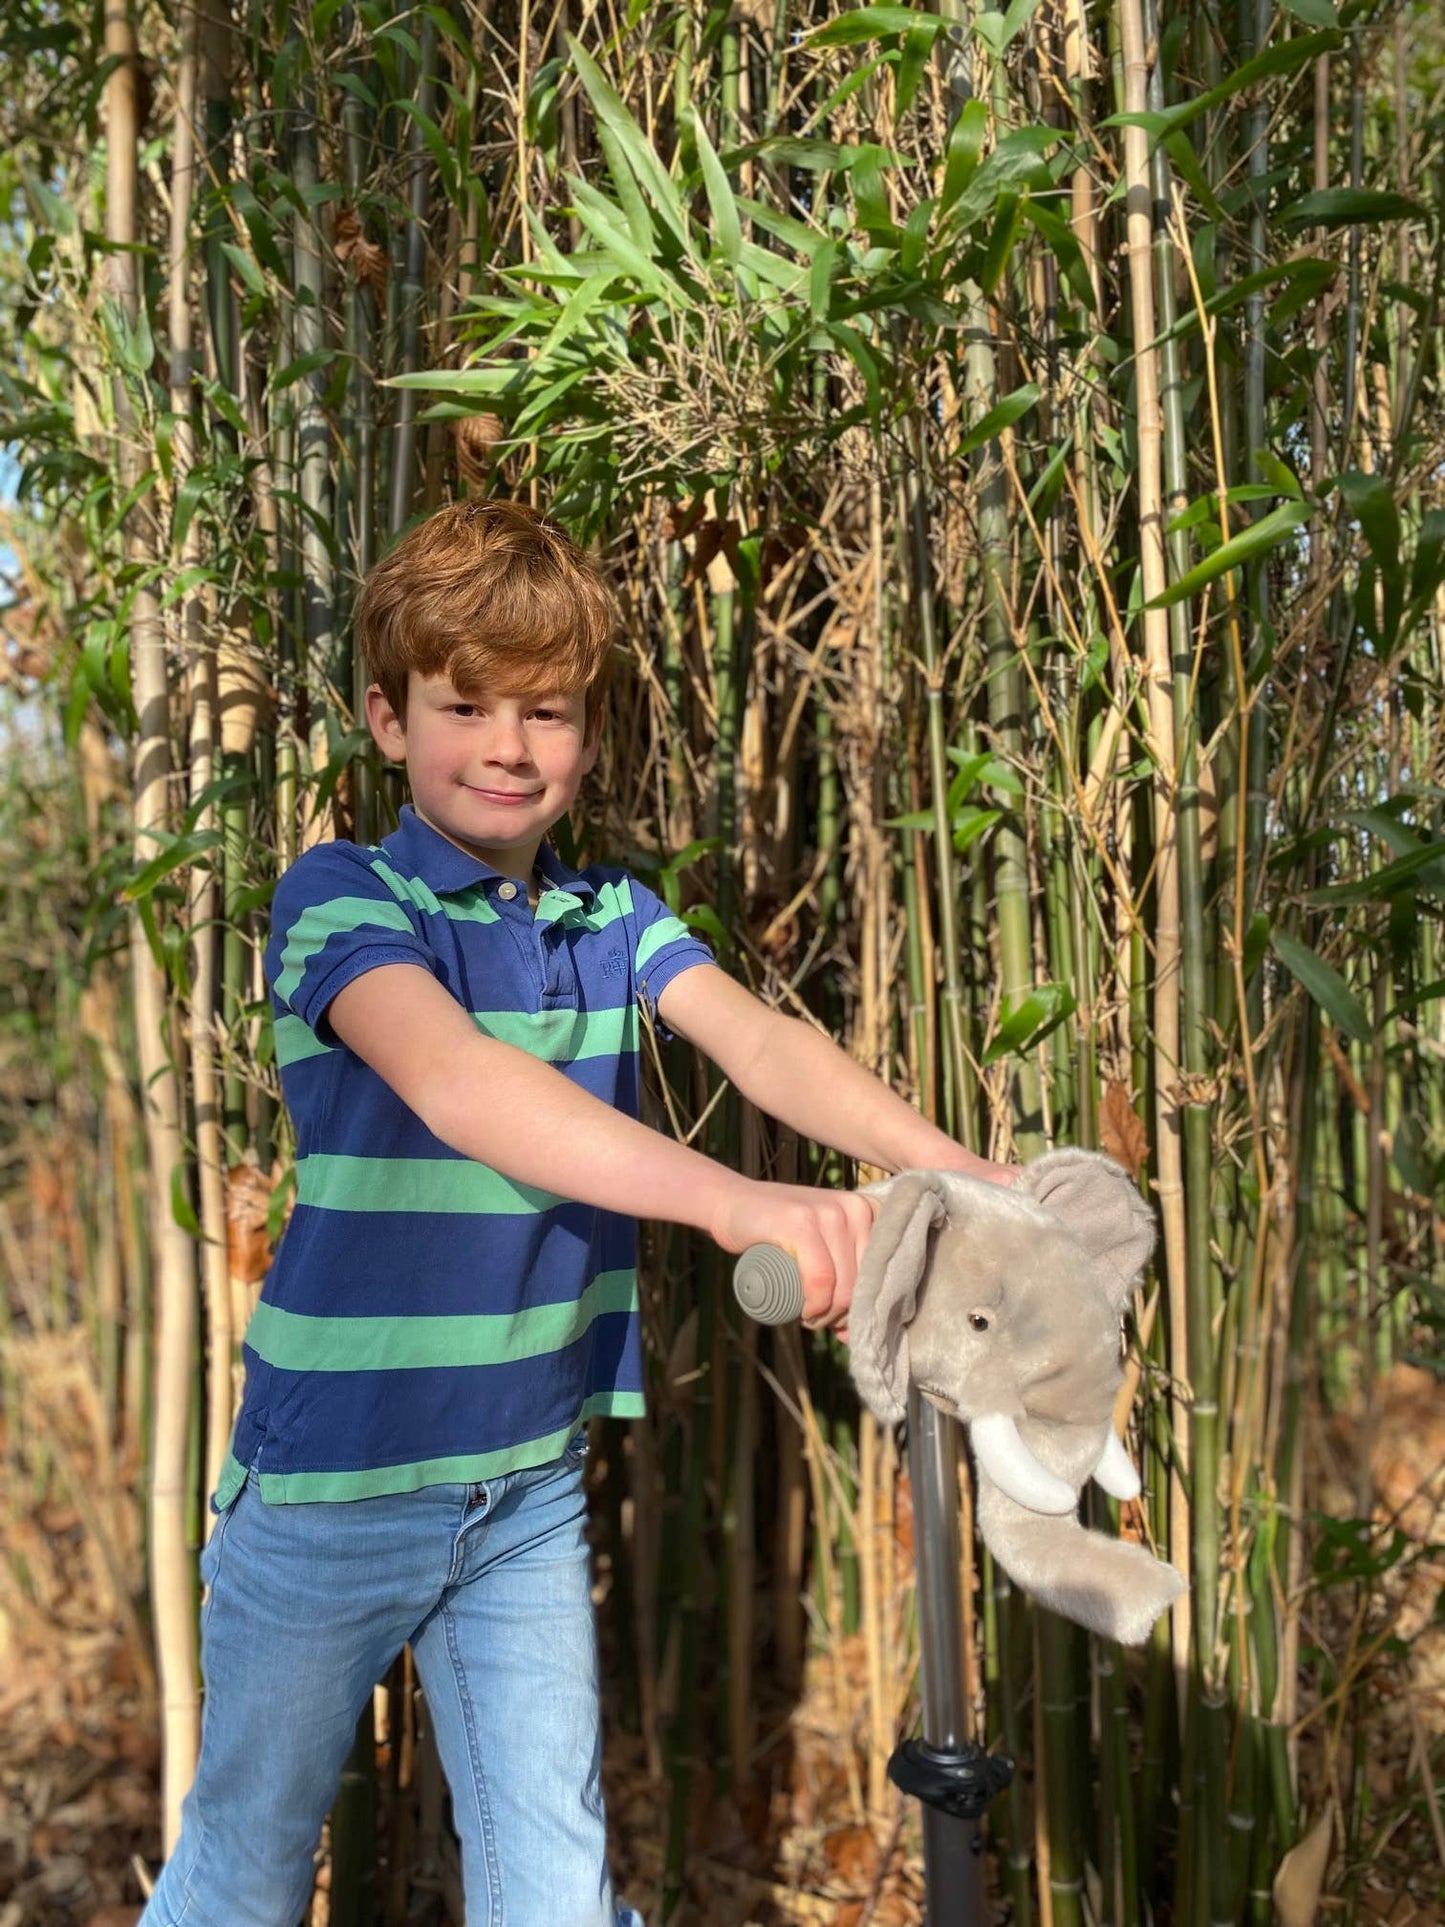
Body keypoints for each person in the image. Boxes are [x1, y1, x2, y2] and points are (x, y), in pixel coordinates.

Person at [140, 499, 1015, 1927]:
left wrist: (954, 1171)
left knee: (556, 1888)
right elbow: (461, 1085)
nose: (504, 745)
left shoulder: (612, 916)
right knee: (242, 1864)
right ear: (384, 718)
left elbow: (765, 1047)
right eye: (462, 704)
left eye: (544, 712)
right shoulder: (340, 896)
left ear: (589, 738)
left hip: (525, 1488)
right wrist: (733, 1202)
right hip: (328, 1494)